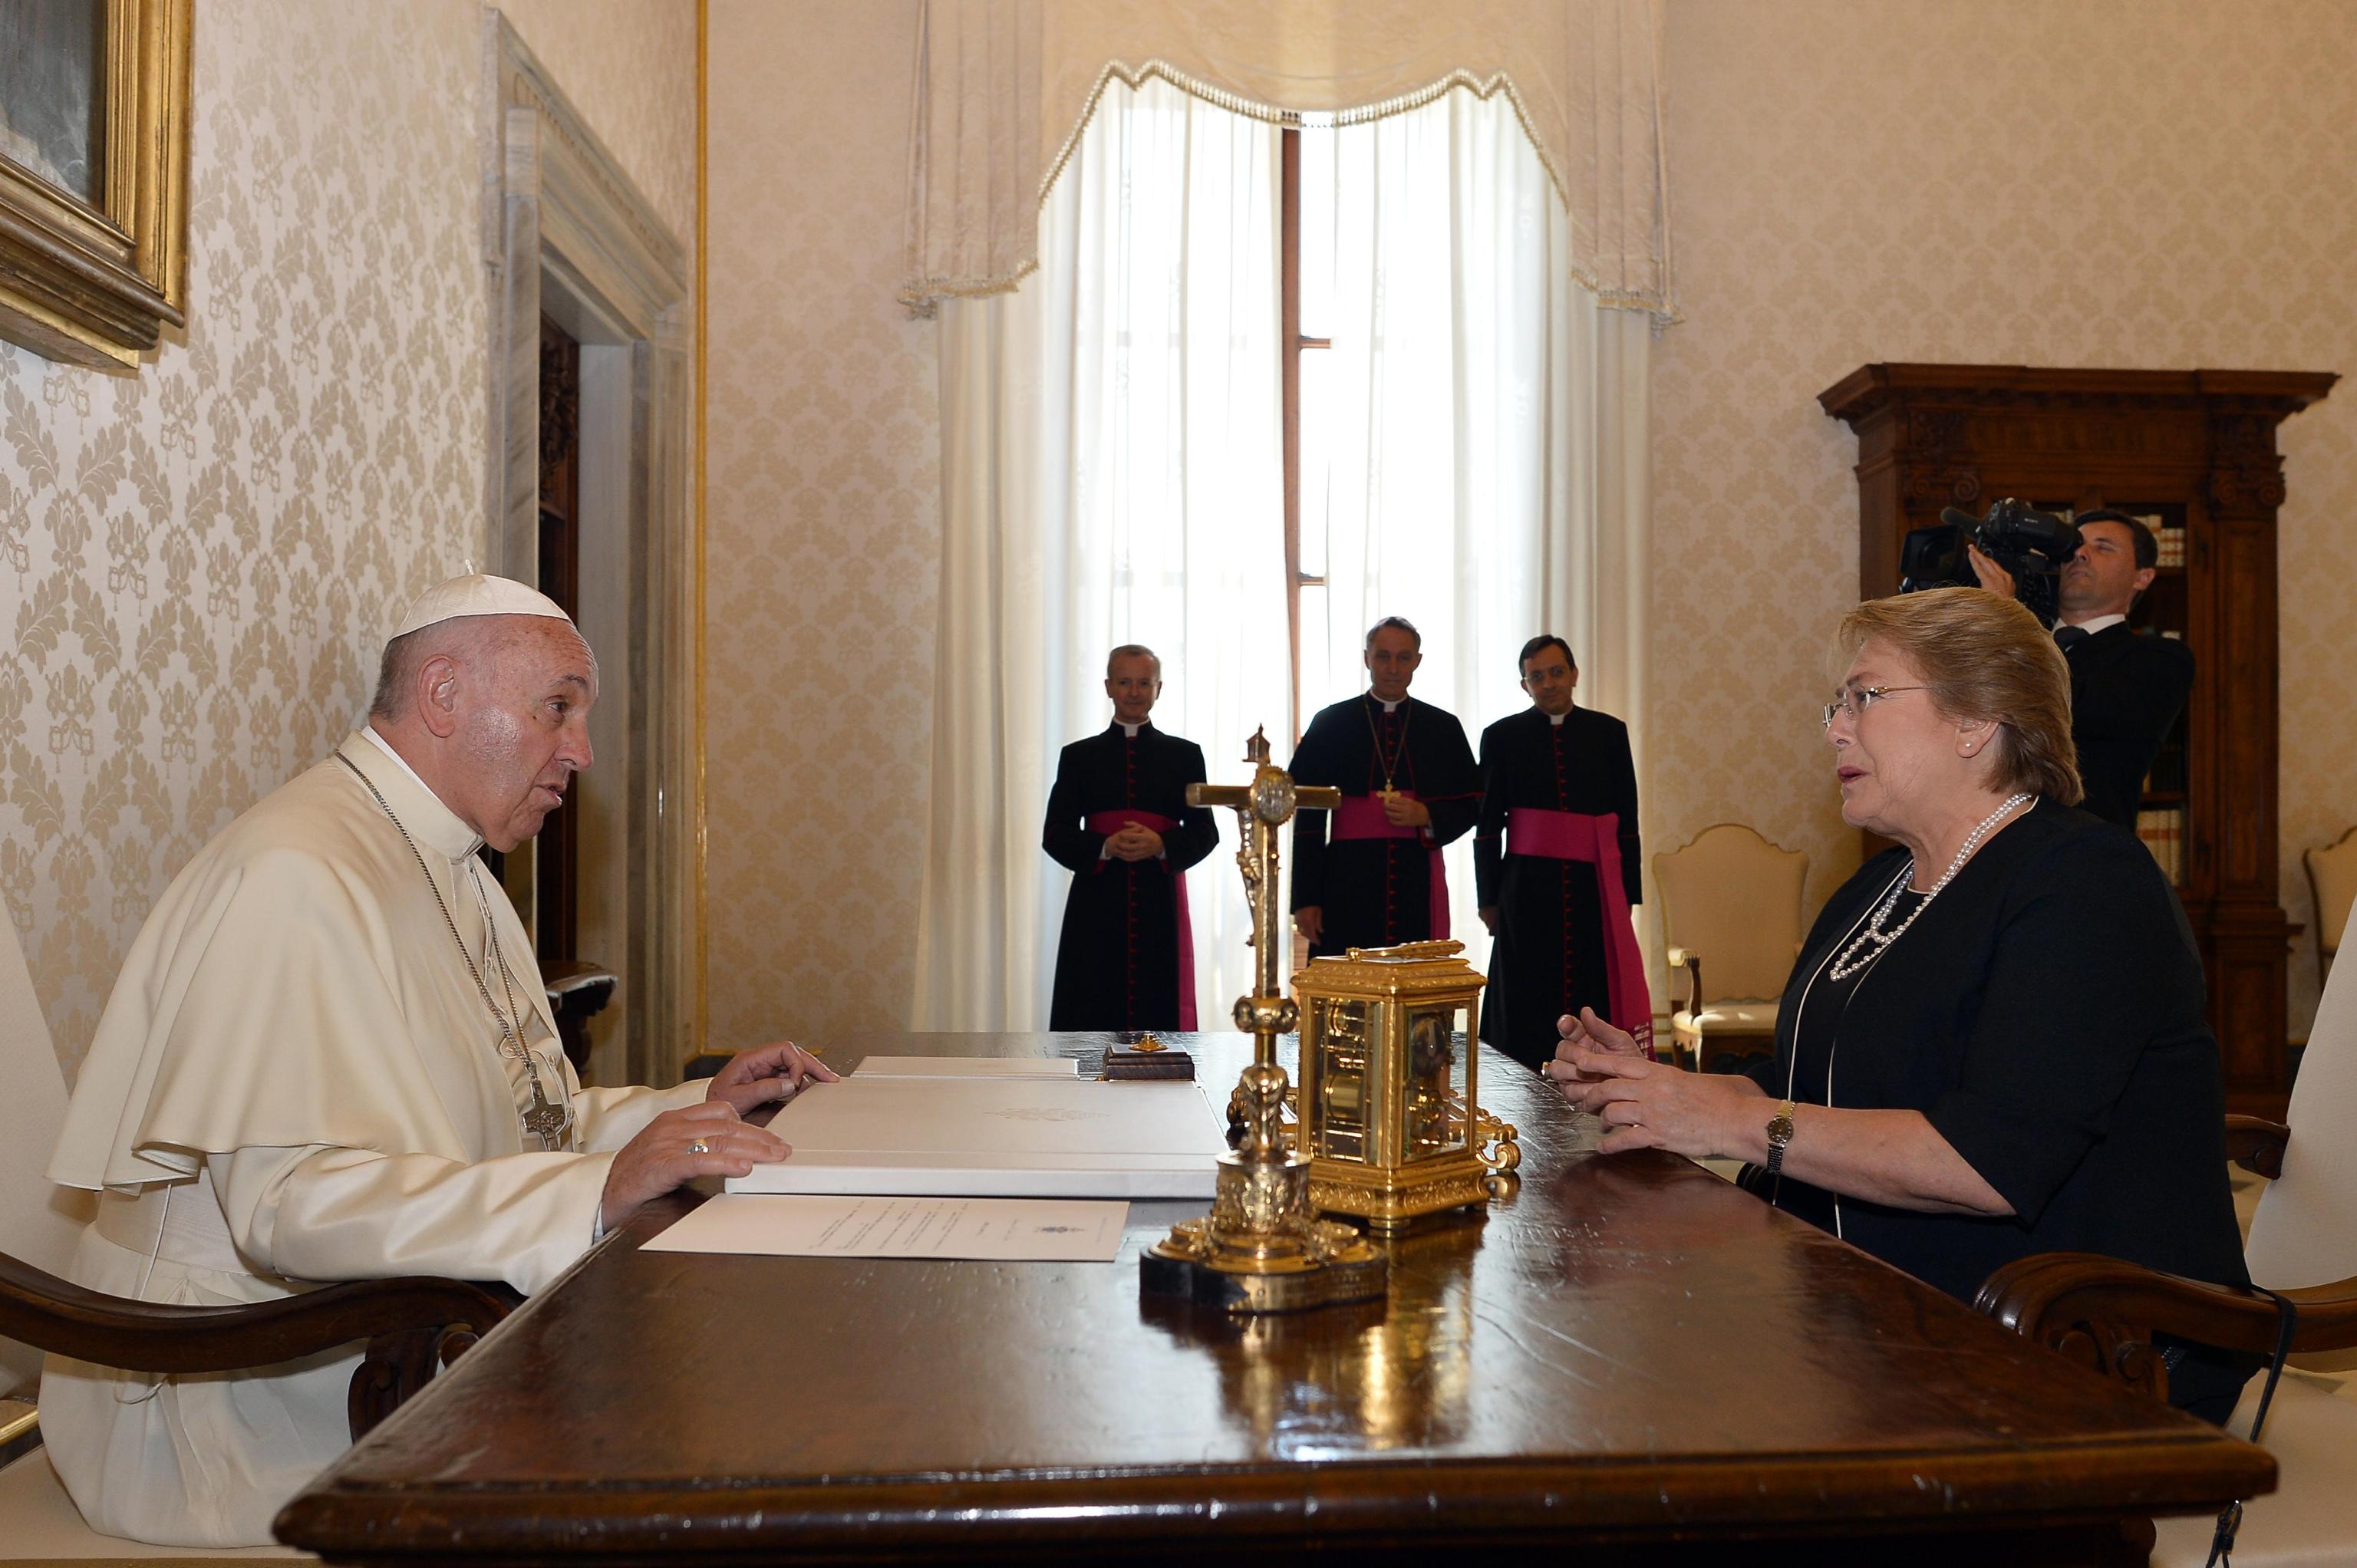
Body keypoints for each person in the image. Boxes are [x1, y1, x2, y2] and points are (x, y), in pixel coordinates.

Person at [39, 574, 839, 1547]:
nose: (581, 752)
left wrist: (699, 1108)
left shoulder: (453, 863)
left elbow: (522, 1117)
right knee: (695, 1448)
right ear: (444, 693)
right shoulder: (296, 874)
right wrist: (592, 1193)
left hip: (374, 1338)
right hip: (231, 1408)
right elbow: (292, 1206)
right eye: (558, 708)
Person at [1547, 587, 2251, 1421]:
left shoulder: (2088, 883)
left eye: (1865, 697)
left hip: (2067, 1351)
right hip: (1870, 1308)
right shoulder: (1876, 886)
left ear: (1975, 719)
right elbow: (1798, 1085)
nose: (1835, 729)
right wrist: (1657, 1089)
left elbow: (1984, 1163)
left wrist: (1734, 1124)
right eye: (1836, 705)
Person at [1474, 636, 1647, 1071]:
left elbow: (1627, 822)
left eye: (1556, 672)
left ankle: (1595, 1078)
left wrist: (1628, 893)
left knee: (1592, 985)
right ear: (1524, 685)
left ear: (1574, 674)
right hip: (1525, 889)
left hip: (1593, 889)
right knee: (1525, 992)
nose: (1548, 683)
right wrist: (1488, 900)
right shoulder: (1501, 737)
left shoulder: (1609, 733)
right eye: (1537, 676)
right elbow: (1488, 827)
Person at [1971, 509, 2194, 828]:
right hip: (1975, 834)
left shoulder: (2161, 657)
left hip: (2077, 844)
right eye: (2074, 545)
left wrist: (2004, 618)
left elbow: (2072, 707)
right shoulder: (2019, 639)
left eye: (2103, 547)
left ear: (2142, 576)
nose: (2080, 554)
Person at [1042, 645, 1218, 1029]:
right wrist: (1103, 846)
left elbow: (1206, 831)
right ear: (1109, 687)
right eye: (1124, 682)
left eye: (1144, 683)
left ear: (1158, 689)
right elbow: (1055, 833)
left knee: (1157, 1007)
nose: (1134, 692)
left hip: (1159, 900)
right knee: (1090, 1004)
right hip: (1095, 901)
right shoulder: (1078, 757)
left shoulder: (1185, 755)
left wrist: (1162, 845)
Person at [1290, 617, 1480, 958]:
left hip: (1416, 880)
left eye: (1403, 657)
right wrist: (1306, 899)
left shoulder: (1443, 728)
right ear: (1367, 658)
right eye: (1383, 656)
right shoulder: (1330, 723)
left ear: (1417, 661)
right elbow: (1309, 821)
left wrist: (1427, 815)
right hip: (1345, 882)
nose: (1393, 668)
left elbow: (1472, 805)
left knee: (1414, 979)